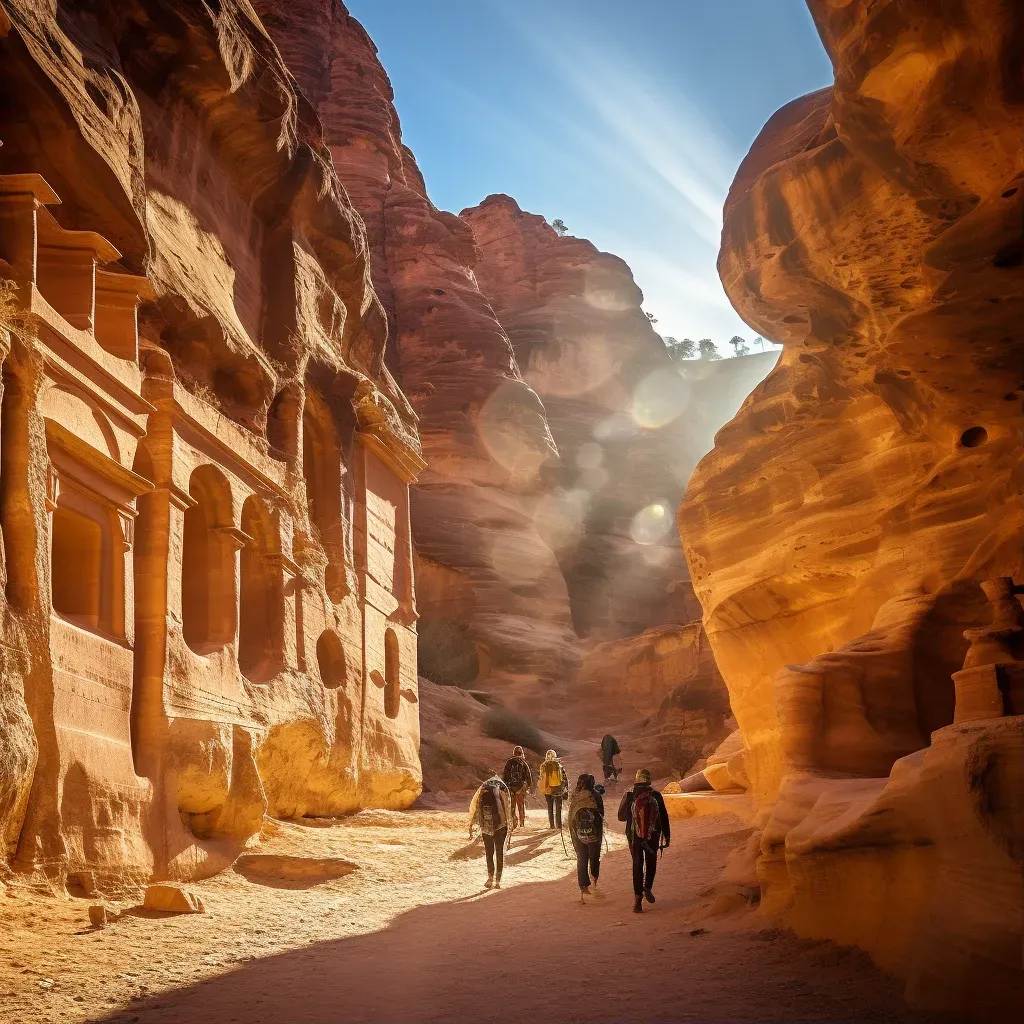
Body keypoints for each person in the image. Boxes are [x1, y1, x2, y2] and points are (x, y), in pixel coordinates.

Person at [617, 767, 670, 913]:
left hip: (634, 837)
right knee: (651, 862)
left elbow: (620, 817)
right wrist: (667, 835)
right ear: (649, 780)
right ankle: (647, 887)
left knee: (637, 864)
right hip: (652, 836)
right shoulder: (656, 796)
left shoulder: (629, 795)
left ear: (636, 780)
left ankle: (637, 899)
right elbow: (664, 817)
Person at [468, 776, 512, 889]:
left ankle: (490, 878)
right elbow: (508, 809)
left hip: (487, 827)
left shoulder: (481, 794)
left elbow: (475, 812)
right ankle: (498, 880)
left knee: (489, 853)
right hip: (501, 826)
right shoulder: (502, 791)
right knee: (499, 852)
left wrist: (471, 829)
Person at [568, 773, 604, 901]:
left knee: (581, 858)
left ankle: (583, 887)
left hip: (578, 833)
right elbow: (601, 816)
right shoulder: (596, 795)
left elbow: (571, 817)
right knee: (594, 858)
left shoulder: (575, 796)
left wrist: (573, 834)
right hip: (595, 834)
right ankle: (594, 882)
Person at [501, 745, 532, 829]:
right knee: (521, 806)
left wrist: (505, 787)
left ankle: (512, 824)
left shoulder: (509, 762)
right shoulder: (523, 762)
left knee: (512, 807)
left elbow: (505, 776)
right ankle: (521, 824)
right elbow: (528, 777)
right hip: (520, 788)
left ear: (514, 753)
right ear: (521, 753)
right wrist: (527, 787)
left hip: (510, 788)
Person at [537, 749, 568, 829]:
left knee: (550, 807)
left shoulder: (543, 766)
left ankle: (552, 825)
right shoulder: (558, 765)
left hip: (547, 789)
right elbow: (564, 778)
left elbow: (541, 777)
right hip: (558, 789)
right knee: (558, 807)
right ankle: (559, 825)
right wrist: (565, 790)